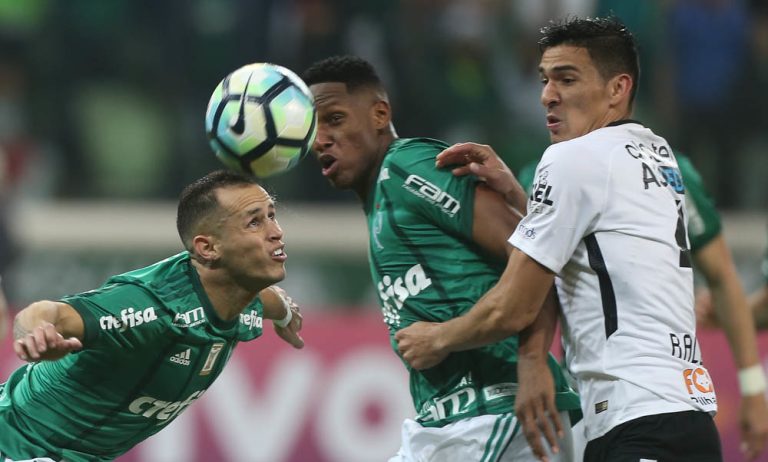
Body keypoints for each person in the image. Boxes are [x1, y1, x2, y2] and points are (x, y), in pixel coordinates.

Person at [395, 16, 735, 462]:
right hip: (687, 420)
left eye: (567, 79)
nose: (547, 95)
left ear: (618, 88)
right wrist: (520, 195)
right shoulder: (655, 152)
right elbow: (593, 240)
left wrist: (438, 339)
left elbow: (513, 306)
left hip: (637, 420)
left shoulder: (570, 158)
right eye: (544, 79)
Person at [302, 55, 580, 462]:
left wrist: (533, 361)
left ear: (380, 114)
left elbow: (533, 252)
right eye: (312, 129)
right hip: (455, 422)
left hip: (493, 412)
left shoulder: (406, 166)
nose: (320, 139)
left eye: (335, 120)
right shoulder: (381, 200)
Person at [0, 170, 304, 461]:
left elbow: (271, 301)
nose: (276, 233)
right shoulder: (152, 307)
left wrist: (287, 316)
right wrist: (36, 334)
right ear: (208, 248)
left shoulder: (245, 296)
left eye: (271, 216)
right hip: (17, 443)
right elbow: (46, 313)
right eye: (254, 223)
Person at [521, 151, 768, 458]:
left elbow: (721, 277)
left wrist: (753, 386)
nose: (548, 100)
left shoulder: (667, 168)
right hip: (587, 394)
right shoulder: (542, 174)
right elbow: (530, 284)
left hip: (654, 395)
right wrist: (531, 360)